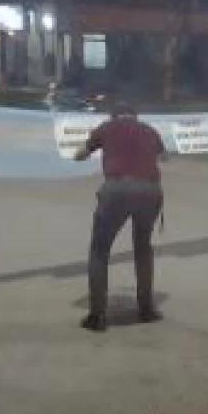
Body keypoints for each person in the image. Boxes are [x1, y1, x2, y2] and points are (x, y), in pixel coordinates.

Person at [73, 103, 166, 332]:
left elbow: (80, 155)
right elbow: (165, 158)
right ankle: (146, 310)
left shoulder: (107, 127)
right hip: (150, 191)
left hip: (117, 190)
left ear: (113, 115)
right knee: (143, 248)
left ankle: (97, 316)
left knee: (99, 251)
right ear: (135, 115)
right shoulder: (150, 130)